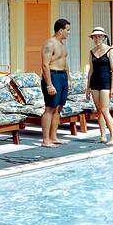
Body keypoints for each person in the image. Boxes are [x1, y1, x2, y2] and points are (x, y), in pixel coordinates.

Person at [41, 18, 71, 147]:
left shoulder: (62, 44)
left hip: (62, 77)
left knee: (58, 108)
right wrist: (49, 84)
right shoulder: (50, 44)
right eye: (67, 30)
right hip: (53, 76)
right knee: (50, 108)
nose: (69, 33)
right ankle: (45, 140)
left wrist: (68, 78)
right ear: (60, 30)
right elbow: (45, 65)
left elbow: (64, 62)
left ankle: (54, 137)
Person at [86, 27, 113, 145]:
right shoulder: (91, 52)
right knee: (99, 110)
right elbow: (90, 71)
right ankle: (103, 135)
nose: (97, 39)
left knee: (105, 110)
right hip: (95, 82)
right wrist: (87, 88)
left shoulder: (110, 50)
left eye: (99, 36)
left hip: (106, 82)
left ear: (104, 37)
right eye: (95, 37)